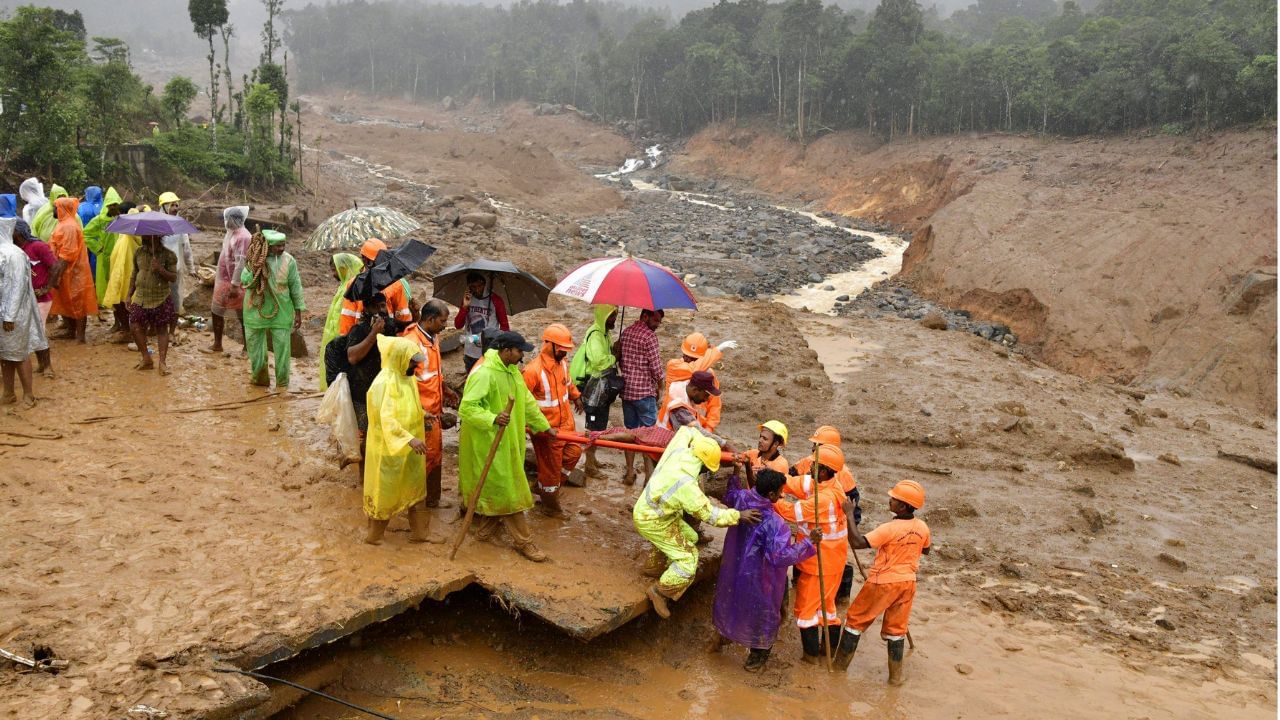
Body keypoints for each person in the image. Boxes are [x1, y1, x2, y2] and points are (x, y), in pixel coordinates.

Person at [633, 425, 758, 619]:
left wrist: (714, 444)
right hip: (652, 519)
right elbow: (711, 516)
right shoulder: (687, 486)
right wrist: (738, 516)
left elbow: (688, 430)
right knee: (688, 560)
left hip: (653, 509)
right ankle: (660, 591)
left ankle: (654, 565)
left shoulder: (680, 449)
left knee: (690, 535)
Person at [457, 331, 554, 562]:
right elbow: (467, 408)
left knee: (498, 489)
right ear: (506, 350)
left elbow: (527, 401)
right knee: (510, 493)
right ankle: (524, 542)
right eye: (519, 351)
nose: (522, 356)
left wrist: (544, 426)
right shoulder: (484, 373)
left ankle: (483, 533)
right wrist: (492, 418)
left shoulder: (511, 372)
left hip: (509, 441)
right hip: (489, 443)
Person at [712, 468, 819, 672]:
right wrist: (809, 543)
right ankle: (757, 658)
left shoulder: (742, 500)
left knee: (730, 602)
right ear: (771, 495)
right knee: (764, 614)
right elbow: (781, 557)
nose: (782, 495)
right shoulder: (775, 524)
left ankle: (721, 638)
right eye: (780, 492)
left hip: (734, 570)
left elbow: (730, 495)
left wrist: (736, 473)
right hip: (761, 577)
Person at [833, 480, 930, 685]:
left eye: (893, 499)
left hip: (883, 582)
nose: (890, 500)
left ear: (903, 506)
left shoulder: (889, 528)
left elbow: (858, 543)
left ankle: (838, 671)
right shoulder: (922, 527)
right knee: (896, 631)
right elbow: (926, 549)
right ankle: (895, 679)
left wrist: (849, 514)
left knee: (854, 622)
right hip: (907, 583)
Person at [773, 444, 849, 665]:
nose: (811, 466)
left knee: (805, 611)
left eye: (815, 464)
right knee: (827, 608)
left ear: (824, 471)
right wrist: (775, 479)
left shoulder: (824, 499)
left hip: (819, 565)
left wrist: (771, 497)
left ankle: (810, 658)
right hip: (834, 562)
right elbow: (795, 483)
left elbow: (791, 512)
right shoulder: (830, 485)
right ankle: (829, 651)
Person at [362, 335, 432, 545]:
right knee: (386, 493)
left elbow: (409, 405)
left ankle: (420, 534)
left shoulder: (406, 376)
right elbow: (387, 420)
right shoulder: (384, 383)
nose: (415, 366)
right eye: (412, 361)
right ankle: (374, 538)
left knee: (416, 489)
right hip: (389, 449)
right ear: (401, 358)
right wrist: (409, 439)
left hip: (411, 447)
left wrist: (423, 414)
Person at [790, 425, 861, 601]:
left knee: (833, 558)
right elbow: (791, 474)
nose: (813, 449)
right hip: (812, 514)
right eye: (814, 445)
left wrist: (847, 522)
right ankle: (799, 585)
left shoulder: (843, 473)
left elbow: (852, 501)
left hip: (834, 520)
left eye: (817, 445)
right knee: (806, 549)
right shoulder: (808, 461)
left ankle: (840, 596)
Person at [401, 298, 458, 508]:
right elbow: (404, 382)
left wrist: (446, 390)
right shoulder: (411, 343)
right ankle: (415, 505)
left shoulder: (433, 338)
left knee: (435, 455)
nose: (445, 325)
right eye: (442, 321)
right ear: (430, 319)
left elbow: (434, 373)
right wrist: (419, 411)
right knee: (422, 458)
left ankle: (431, 501)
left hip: (434, 409)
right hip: (420, 413)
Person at [523, 323, 583, 518]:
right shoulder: (533, 371)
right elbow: (521, 400)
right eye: (562, 349)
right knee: (550, 469)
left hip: (566, 425)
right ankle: (550, 506)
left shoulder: (563, 364)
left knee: (574, 452)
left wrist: (576, 396)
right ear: (549, 344)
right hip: (547, 430)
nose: (565, 353)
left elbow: (568, 384)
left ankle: (547, 488)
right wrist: (529, 426)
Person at [240, 229, 304, 389]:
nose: (282, 249)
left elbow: (296, 287)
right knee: (255, 349)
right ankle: (259, 379)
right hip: (255, 311)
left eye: (283, 245)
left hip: (281, 312)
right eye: (278, 246)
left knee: (283, 350)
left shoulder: (289, 261)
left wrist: (298, 311)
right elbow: (246, 281)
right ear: (267, 246)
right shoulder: (253, 261)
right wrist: (257, 269)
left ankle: (282, 384)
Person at [0, 217, 47, 407]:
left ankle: (29, 395)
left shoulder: (14, 254)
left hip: (15, 312)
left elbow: (18, 286)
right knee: (4, 354)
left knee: (19, 354)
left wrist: (10, 315)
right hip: (3, 310)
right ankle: (9, 392)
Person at [568, 304, 617, 481]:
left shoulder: (604, 333)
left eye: (615, 315)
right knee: (593, 424)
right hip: (593, 386)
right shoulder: (596, 335)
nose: (614, 319)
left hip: (599, 385)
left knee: (599, 423)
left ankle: (592, 458)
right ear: (603, 316)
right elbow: (599, 362)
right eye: (611, 316)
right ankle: (589, 464)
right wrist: (614, 356)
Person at [618, 308, 665, 483]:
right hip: (645, 393)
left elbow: (620, 360)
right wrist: (660, 387)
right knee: (649, 437)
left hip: (627, 393)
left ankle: (629, 473)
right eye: (655, 321)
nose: (657, 325)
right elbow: (656, 368)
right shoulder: (649, 337)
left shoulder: (626, 332)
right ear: (644, 316)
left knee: (629, 434)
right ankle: (649, 477)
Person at [658, 332, 736, 432]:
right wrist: (716, 351)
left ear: (702, 358)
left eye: (694, 358)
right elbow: (693, 369)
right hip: (669, 429)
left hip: (698, 428)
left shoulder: (709, 375)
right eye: (686, 355)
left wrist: (709, 427)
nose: (687, 359)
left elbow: (714, 405)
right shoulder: (674, 366)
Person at [336, 239, 413, 335]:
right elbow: (348, 316)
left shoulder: (395, 284)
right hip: (362, 336)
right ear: (365, 260)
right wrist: (346, 340)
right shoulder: (354, 285)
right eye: (376, 261)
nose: (380, 264)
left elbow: (403, 314)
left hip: (387, 336)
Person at [48, 196, 96, 343]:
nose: (53, 209)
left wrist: (56, 275)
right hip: (64, 269)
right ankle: (70, 330)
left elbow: (67, 254)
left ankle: (80, 336)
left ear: (62, 209)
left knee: (78, 301)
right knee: (64, 300)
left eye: (56, 207)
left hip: (74, 271)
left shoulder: (68, 226)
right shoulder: (63, 223)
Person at [127, 235, 177, 375]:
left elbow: (173, 278)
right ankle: (146, 358)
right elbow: (134, 274)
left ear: (156, 236)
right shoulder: (138, 252)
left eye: (147, 235)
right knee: (135, 325)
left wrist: (161, 269)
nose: (144, 236)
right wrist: (129, 294)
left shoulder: (169, 254)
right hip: (141, 297)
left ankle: (162, 363)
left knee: (161, 329)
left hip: (161, 297)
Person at [205, 206, 251, 354]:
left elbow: (241, 263)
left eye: (226, 219)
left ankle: (247, 347)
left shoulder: (243, 237)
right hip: (224, 280)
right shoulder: (231, 233)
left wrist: (235, 285)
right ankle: (217, 344)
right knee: (216, 310)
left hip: (236, 283)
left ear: (232, 220)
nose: (224, 222)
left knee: (242, 314)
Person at [12, 221, 55, 377]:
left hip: (41, 298)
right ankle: (43, 365)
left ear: (18, 232)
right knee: (33, 331)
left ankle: (48, 366)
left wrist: (47, 287)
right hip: (26, 297)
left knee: (39, 330)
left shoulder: (38, 246)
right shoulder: (16, 249)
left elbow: (55, 267)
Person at [319, 253, 364, 390]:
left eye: (335, 270)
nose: (333, 274)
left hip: (348, 338)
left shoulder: (354, 286)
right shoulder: (344, 285)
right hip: (337, 337)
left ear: (344, 268)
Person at [453, 271, 508, 373]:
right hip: (470, 351)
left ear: (485, 284)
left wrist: (501, 347)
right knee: (472, 379)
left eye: (480, 285)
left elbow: (505, 327)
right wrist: (465, 307)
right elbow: (458, 325)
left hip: (489, 351)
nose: (477, 289)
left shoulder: (496, 300)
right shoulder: (467, 299)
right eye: (473, 286)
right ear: (468, 287)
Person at [102, 204, 142, 337]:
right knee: (119, 302)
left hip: (130, 273)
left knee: (130, 302)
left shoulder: (135, 235)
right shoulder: (123, 234)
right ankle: (127, 330)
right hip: (120, 273)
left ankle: (132, 332)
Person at [158, 192, 194, 330]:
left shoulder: (180, 224)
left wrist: (191, 268)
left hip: (176, 269)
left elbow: (187, 248)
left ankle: (172, 330)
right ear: (164, 206)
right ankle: (158, 328)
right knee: (158, 299)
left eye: (176, 205)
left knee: (175, 299)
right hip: (159, 268)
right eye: (172, 205)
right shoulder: (156, 224)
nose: (175, 208)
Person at [82, 187, 122, 310]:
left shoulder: (124, 220)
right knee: (106, 285)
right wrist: (98, 248)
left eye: (115, 205)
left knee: (119, 286)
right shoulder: (100, 220)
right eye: (110, 205)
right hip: (104, 257)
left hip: (121, 257)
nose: (113, 207)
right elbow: (86, 234)